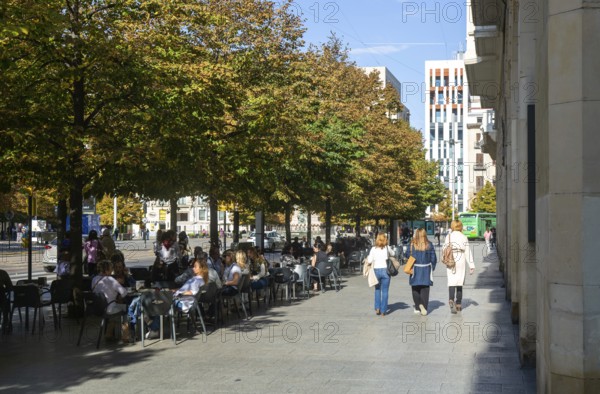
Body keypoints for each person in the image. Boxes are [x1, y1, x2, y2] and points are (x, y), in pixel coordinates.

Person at [92, 260, 129, 342]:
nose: (112, 271)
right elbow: (124, 292)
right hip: (109, 309)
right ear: (107, 270)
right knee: (126, 309)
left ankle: (108, 334)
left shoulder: (94, 279)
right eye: (111, 269)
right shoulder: (110, 279)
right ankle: (125, 336)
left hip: (98, 308)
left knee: (115, 308)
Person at [444, 220, 475, 313]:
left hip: (451, 258)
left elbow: (444, 249)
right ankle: (458, 304)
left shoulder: (448, 236)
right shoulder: (464, 237)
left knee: (451, 280)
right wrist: (471, 265)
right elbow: (468, 251)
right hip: (460, 258)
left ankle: (451, 299)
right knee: (459, 282)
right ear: (460, 226)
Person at [405, 228, 437, 316]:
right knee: (425, 289)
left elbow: (407, 254)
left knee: (415, 288)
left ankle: (417, 306)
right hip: (426, 268)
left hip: (415, 269)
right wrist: (432, 267)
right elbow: (433, 258)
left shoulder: (412, 244)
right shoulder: (429, 244)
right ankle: (424, 306)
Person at [366, 233, 392, 316]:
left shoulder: (373, 249)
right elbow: (394, 254)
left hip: (376, 271)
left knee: (377, 290)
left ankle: (377, 308)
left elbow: (369, 260)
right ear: (385, 239)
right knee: (385, 291)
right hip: (386, 271)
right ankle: (384, 311)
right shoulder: (387, 248)